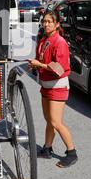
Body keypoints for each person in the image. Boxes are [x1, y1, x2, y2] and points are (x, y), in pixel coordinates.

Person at [28, 9, 78, 168]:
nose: (46, 24)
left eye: (50, 21)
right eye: (44, 21)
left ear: (57, 24)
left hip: (58, 86)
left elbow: (60, 68)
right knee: (49, 120)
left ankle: (71, 152)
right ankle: (47, 148)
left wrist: (40, 65)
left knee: (56, 121)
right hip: (46, 85)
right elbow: (40, 59)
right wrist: (33, 64)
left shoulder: (60, 42)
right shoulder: (43, 39)